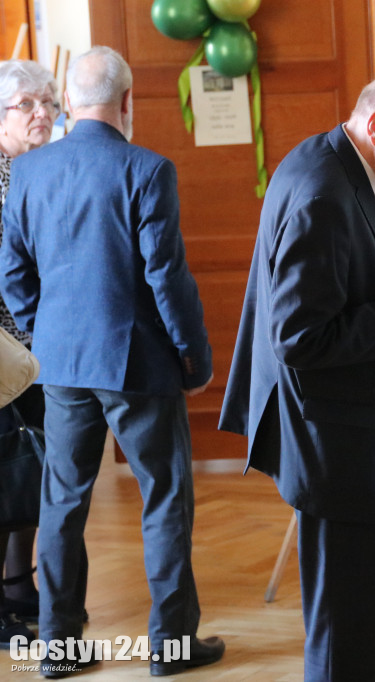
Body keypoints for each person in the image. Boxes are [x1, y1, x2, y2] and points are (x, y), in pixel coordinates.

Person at [219, 70, 375, 681]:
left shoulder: (328, 159)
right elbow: (302, 339)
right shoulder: (323, 195)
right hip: (340, 454)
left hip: (344, 441)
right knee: (343, 642)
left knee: (347, 631)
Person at [0, 46, 223, 678]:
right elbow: (168, 281)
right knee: (165, 500)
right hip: (140, 368)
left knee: (62, 504)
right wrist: (196, 359)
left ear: (68, 101)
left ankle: (59, 648)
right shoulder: (147, 169)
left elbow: (13, 273)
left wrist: (48, 337)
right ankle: (171, 647)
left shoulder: (31, 173)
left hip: (62, 367)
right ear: (130, 103)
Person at [0, 57, 58, 649]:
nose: (41, 113)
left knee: (29, 474)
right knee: (0, 476)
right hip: (0, 355)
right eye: (26, 105)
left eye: (49, 102)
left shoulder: (40, 170)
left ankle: (20, 587)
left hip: (39, 349)